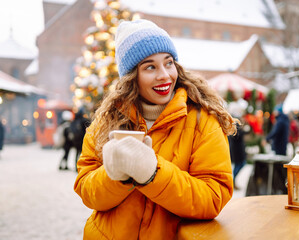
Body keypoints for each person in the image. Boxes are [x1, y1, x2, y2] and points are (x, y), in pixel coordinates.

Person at [74, 19, 237, 239]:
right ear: (132, 77)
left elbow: (213, 197)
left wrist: (153, 174)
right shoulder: (106, 122)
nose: (164, 75)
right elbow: (87, 191)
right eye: (150, 67)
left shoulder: (202, 121)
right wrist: (115, 176)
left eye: (168, 63)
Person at [228, 121, 247, 190]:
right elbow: (238, 135)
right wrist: (244, 130)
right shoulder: (235, 128)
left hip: (237, 150)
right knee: (240, 164)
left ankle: (233, 181)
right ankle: (233, 180)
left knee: (239, 164)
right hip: (237, 151)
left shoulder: (233, 128)